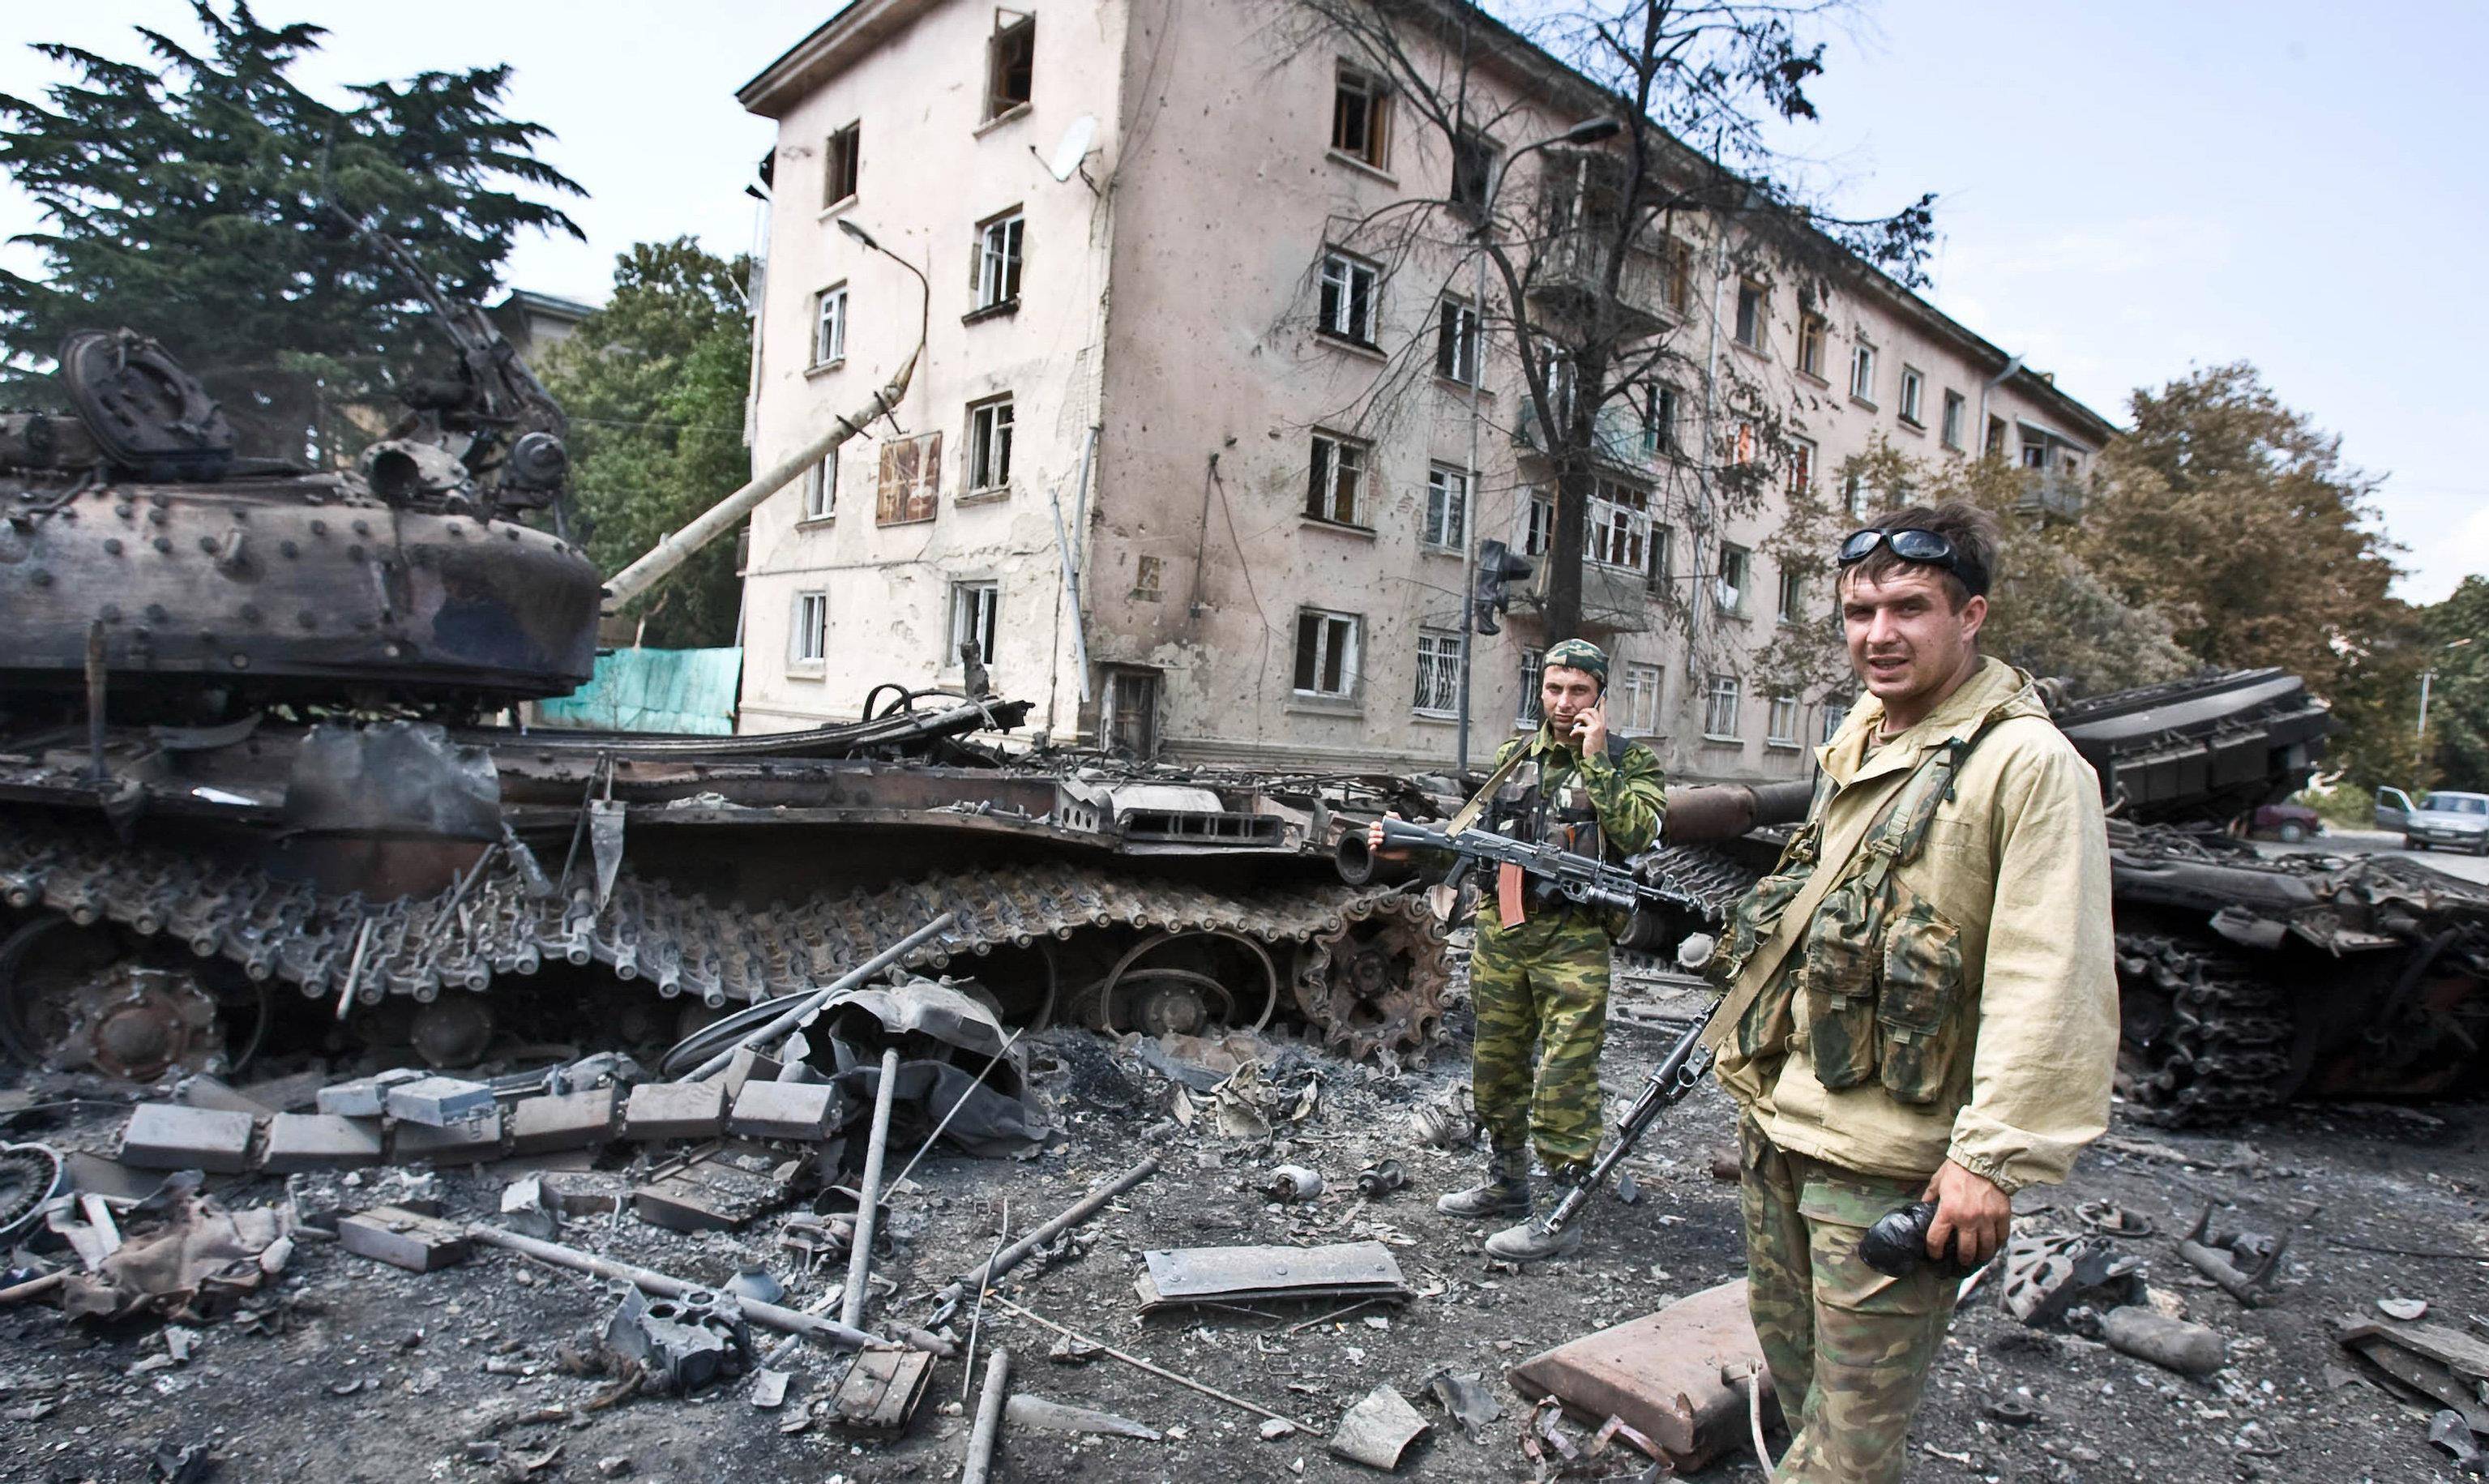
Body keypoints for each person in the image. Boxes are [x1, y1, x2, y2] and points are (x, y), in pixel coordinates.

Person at [1700, 502, 2116, 1482]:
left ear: (1970, 615)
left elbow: (2049, 978)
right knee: (1804, 1397)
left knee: (1845, 1456)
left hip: (1888, 1165)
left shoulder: (2029, 766)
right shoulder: (1867, 732)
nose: (1876, 635)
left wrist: (1990, 1161)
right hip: (1784, 1127)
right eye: (1857, 611)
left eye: (1908, 608)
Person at [1369, 637, 1665, 1260]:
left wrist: (1595, 761)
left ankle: (1561, 1209)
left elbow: (1639, 831)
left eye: (1578, 691)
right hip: (1505, 934)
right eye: (1554, 688)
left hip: (1575, 941)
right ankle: (1507, 1185)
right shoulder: (1514, 758)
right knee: (1495, 1067)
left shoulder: (1628, 762)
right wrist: (1405, 846)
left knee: (1564, 1075)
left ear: (1598, 697)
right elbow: (1471, 841)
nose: (1562, 702)